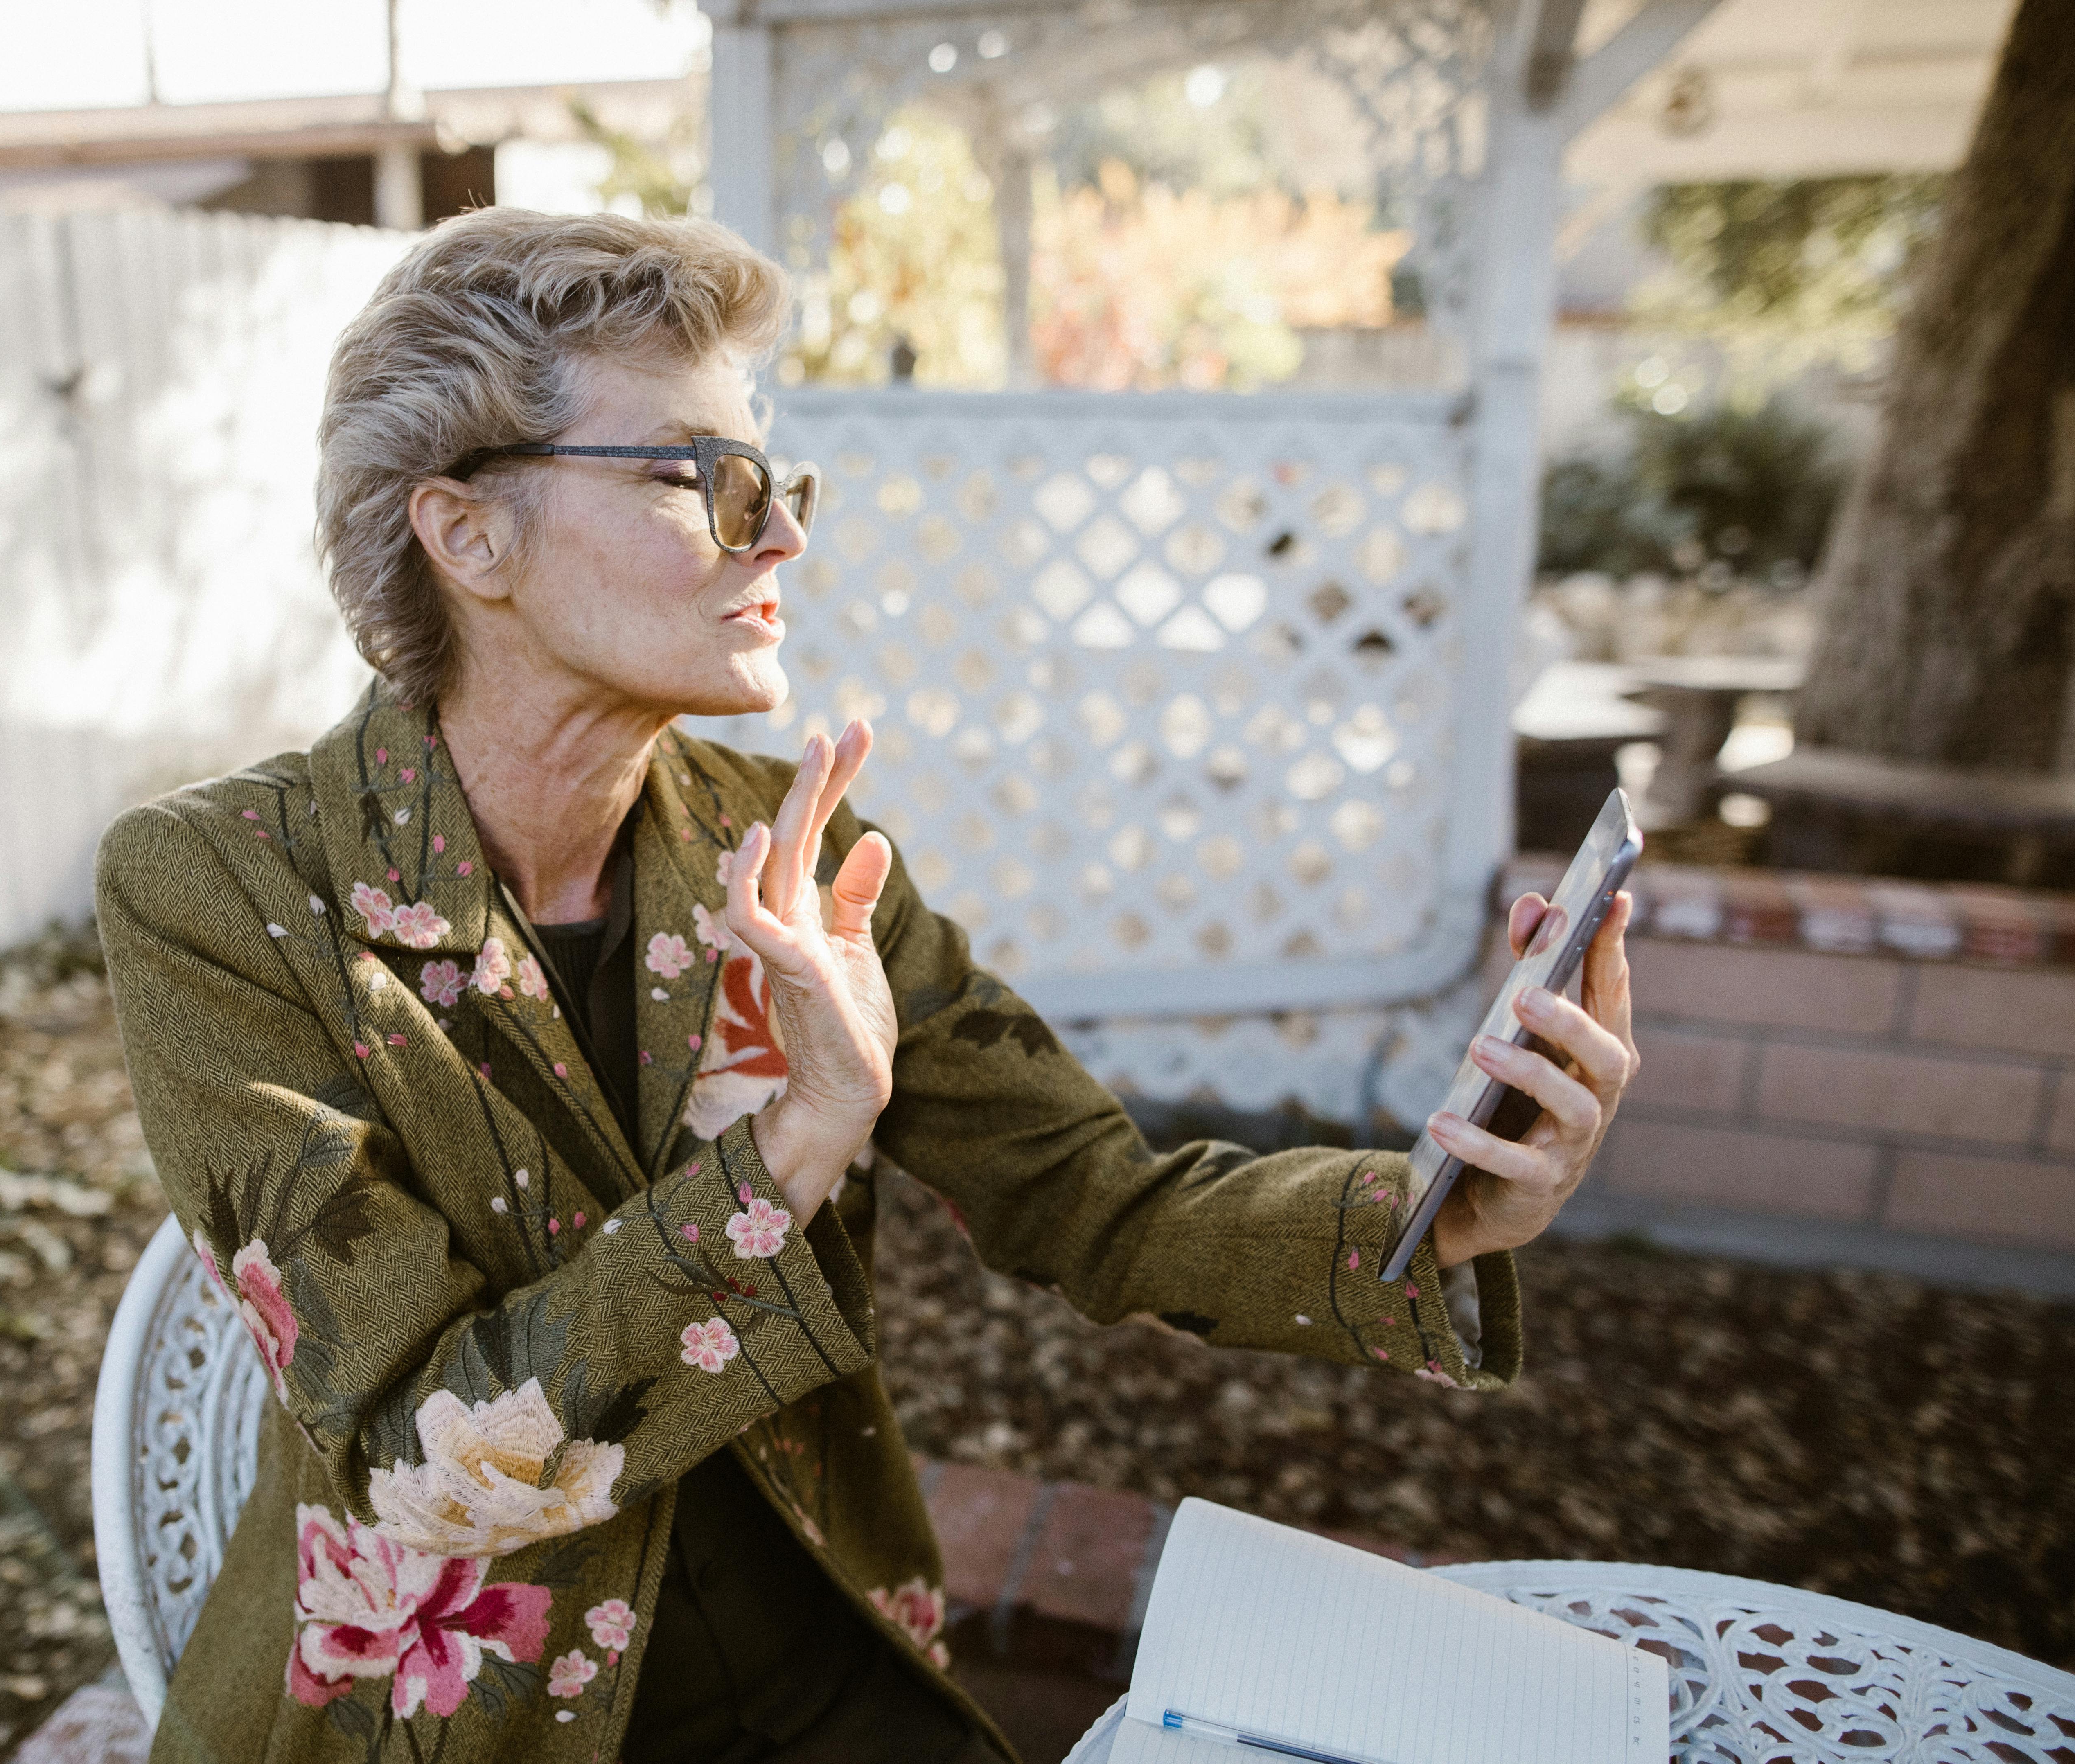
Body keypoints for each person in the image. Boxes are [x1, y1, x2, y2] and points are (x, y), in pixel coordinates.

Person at [94, 208, 1639, 1764]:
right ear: (468, 533)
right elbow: (425, 1461)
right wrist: (792, 1149)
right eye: (704, 480)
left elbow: (1090, 1197)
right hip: (461, 1729)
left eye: (775, 484)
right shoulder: (220, 891)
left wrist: (1443, 1207)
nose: (780, 538)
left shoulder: (794, 850)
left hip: (823, 1670)